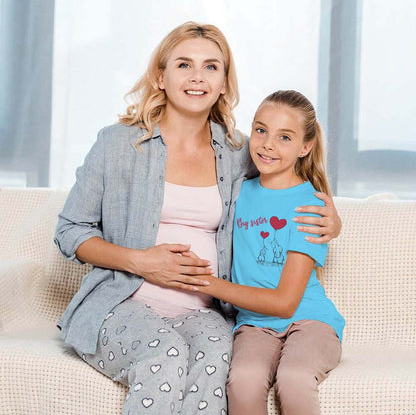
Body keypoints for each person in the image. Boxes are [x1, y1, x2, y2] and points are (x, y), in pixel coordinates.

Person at [54, 21, 342, 415]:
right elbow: (70, 230)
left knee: (216, 362)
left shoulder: (241, 152)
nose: (197, 77)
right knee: (167, 354)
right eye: (184, 64)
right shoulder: (117, 144)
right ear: (161, 76)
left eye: (211, 67)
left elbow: (288, 180)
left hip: (203, 311)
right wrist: (141, 261)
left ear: (224, 82)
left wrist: (333, 221)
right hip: (124, 300)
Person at [192, 90, 345, 415]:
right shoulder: (236, 191)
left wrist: (209, 284)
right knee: (243, 381)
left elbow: (285, 302)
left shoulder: (310, 207)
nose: (268, 144)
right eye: (261, 130)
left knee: (293, 378)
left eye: (284, 137)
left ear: (305, 147)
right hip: (253, 325)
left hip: (310, 321)